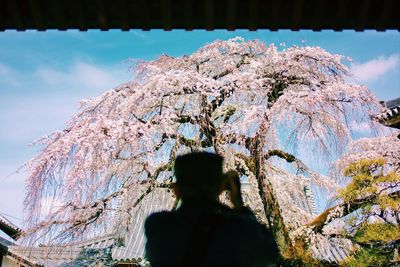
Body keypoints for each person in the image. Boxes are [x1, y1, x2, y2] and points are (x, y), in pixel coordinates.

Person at [144, 152, 280, 267]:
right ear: (222, 187)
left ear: (176, 189)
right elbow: (270, 256)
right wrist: (238, 204)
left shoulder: (158, 226)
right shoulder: (242, 228)